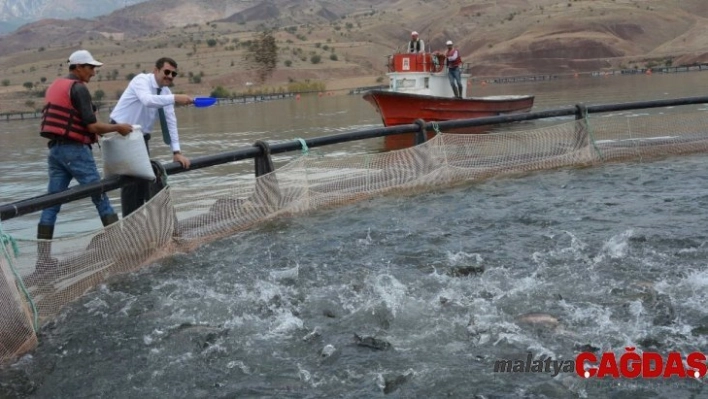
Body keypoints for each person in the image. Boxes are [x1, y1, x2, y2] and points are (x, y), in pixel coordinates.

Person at [36, 50, 133, 269]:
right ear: (78, 67)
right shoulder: (78, 88)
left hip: (55, 152)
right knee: (100, 197)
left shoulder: (55, 86)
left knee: (51, 203)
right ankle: (119, 250)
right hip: (75, 151)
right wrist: (118, 127)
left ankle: (42, 261)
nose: (93, 72)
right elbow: (91, 126)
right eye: (90, 67)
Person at [109, 57, 193, 217]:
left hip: (140, 137)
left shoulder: (166, 92)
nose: (169, 76)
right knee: (131, 180)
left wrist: (176, 151)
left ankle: (140, 219)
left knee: (143, 180)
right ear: (156, 70)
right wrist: (175, 98)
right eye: (166, 72)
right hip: (121, 132)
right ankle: (130, 223)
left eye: (173, 74)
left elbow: (171, 121)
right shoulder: (141, 81)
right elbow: (147, 100)